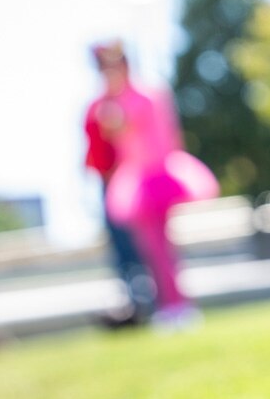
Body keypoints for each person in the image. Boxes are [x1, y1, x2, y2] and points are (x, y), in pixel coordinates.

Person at [86, 41, 218, 328]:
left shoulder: (141, 98)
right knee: (152, 249)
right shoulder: (115, 102)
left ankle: (177, 306)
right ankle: (169, 305)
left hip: (156, 178)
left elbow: (152, 135)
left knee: (161, 248)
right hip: (135, 182)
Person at [84, 43, 153, 326]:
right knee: (121, 251)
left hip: (129, 183)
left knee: (138, 247)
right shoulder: (97, 105)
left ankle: (148, 302)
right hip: (107, 185)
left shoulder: (123, 103)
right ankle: (134, 305)